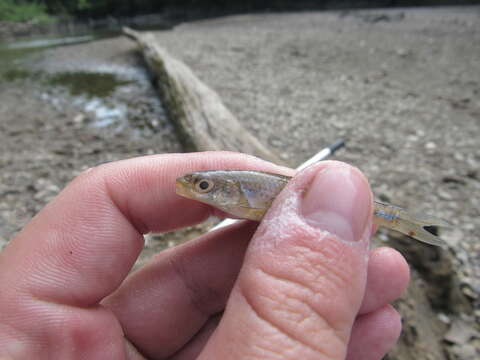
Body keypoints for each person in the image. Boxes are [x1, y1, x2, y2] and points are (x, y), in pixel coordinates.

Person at [0, 152, 409, 360]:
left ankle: (406, 222)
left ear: (229, 190)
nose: (193, 190)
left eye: (204, 187)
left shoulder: (243, 191)